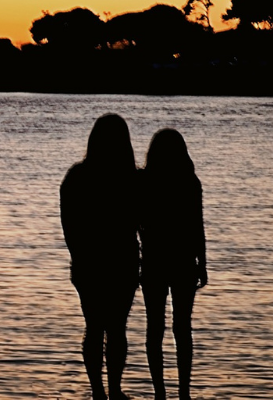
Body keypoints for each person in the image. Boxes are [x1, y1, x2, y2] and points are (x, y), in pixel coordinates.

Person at [60, 114, 141, 400]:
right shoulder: (132, 180)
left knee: (94, 327)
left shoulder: (77, 177)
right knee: (116, 329)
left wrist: (79, 256)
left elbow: (68, 225)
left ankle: (98, 391)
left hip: (89, 265)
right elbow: (144, 222)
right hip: (123, 263)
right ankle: (114, 390)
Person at [139, 129, 208, 400]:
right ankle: (184, 394)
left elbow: (136, 223)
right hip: (183, 261)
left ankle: (159, 394)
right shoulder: (189, 182)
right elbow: (196, 226)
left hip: (154, 261)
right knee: (183, 328)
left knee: (154, 328)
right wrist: (202, 263)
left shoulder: (144, 182)